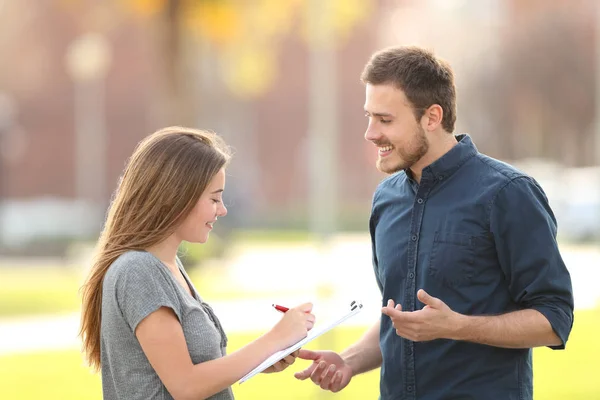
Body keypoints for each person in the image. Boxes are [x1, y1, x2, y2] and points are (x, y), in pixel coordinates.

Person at [294, 46, 574, 400]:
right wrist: (348, 361)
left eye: (385, 120)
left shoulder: (507, 194)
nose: (370, 133)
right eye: (369, 117)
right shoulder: (386, 200)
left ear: (432, 117)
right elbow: (401, 320)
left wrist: (459, 327)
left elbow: (554, 319)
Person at [79, 126, 315, 400]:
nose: (223, 209)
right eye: (214, 198)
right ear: (176, 195)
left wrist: (262, 358)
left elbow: (192, 372)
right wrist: (273, 339)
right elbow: (186, 386)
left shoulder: (168, 268)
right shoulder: (137, 271)